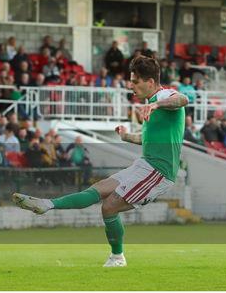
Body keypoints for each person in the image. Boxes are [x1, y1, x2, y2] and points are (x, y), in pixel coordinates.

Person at [13, 55, 188, 267]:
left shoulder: (164, 95)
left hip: (159, 172)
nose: (131, 85)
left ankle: (117, 258)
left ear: (150, 82)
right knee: (98, 189)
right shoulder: (151, 103)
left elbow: (182, 100)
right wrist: (127, 137)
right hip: (145, 164)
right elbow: (147, 139)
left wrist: (157, 105)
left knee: (109, 206)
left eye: (135, 81)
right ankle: (46, 205)